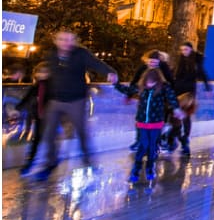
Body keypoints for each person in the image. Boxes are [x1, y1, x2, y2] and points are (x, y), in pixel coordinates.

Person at [24, 30, 118, 180]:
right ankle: (50, 163)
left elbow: (96, 63)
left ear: (74, 41)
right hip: (55, 100)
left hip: (76, 100)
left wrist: (110, 72)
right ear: (56, 40)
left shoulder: (81, 54)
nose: (66, 43)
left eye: (69, 40)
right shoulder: (52, 55)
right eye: (62, 39)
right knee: (49, 134)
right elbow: (48, 74)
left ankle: (88, 160)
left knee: (81, 132)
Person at [114, 68, 183, 183]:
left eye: (152, 83)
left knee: (152, 145)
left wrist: (176, 109)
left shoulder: (164, 88)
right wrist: (116, 83)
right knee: (143, 145)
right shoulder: (141, 87)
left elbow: (172, 98)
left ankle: (150, 167)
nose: (149, 85)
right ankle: (136, 169)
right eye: (148, 83)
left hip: (156, 122)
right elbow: (127, 90)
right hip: (142, 122)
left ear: (157, 81)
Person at [164, 42, 210, 156]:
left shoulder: (196, 61)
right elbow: (173, 74)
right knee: (175, 115)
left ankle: (182, 139)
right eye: (182, 49)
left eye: (186, 49)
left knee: (185, 115)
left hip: (189, 92)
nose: (184, 52)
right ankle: (175, 138)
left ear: (190, 49)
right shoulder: (180, 60)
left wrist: (207, 87)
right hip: (177, 90)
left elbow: (201, 73)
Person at [128, 50, 174, 151]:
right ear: (147, 61)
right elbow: (134, 82)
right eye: (150, 62)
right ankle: (139, 140)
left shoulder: (163, 68)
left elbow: (171, 82)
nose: (152, 64)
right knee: (141, 119)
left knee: (158, 121)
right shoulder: (143, 68)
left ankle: (158, 141)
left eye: (155, 62)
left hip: (159, 100)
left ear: (159, 62)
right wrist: (129, 95)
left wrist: (170, 98)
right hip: (145, 99)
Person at [15, 63, 51, 173]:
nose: (41, 74)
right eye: (39, 72)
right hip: (40, 116)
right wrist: (18, 108)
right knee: (37, 140)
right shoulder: (37, 86)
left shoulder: (52, 86)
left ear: (49, 73)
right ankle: (30, 162)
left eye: (44, 72)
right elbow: (27, 98)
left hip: (51, 116)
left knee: (48, 140)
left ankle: (49, 163)